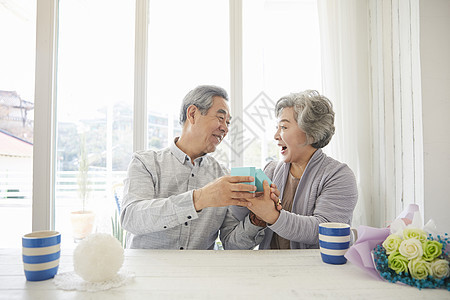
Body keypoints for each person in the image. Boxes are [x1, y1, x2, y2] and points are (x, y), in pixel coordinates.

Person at [120, 85, 270, 250]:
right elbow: (132, 218)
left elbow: (232, 244)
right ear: (192, 114)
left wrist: (257, 219)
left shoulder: (222, 176)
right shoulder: (145, 162)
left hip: (199, 274)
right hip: (147, 273)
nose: (225, 129)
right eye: (220, 118)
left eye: (228, 122)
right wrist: (200, 198)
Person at [233, 90, 358, 249]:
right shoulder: (270, 171)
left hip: (317, 272)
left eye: (284, 127)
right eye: (277, 127)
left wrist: (271, 215)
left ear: (311, 133)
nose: (276, 135)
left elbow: (324, 230)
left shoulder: (338, 176)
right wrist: (239, 200)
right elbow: (238, 229)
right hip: (270, 271)